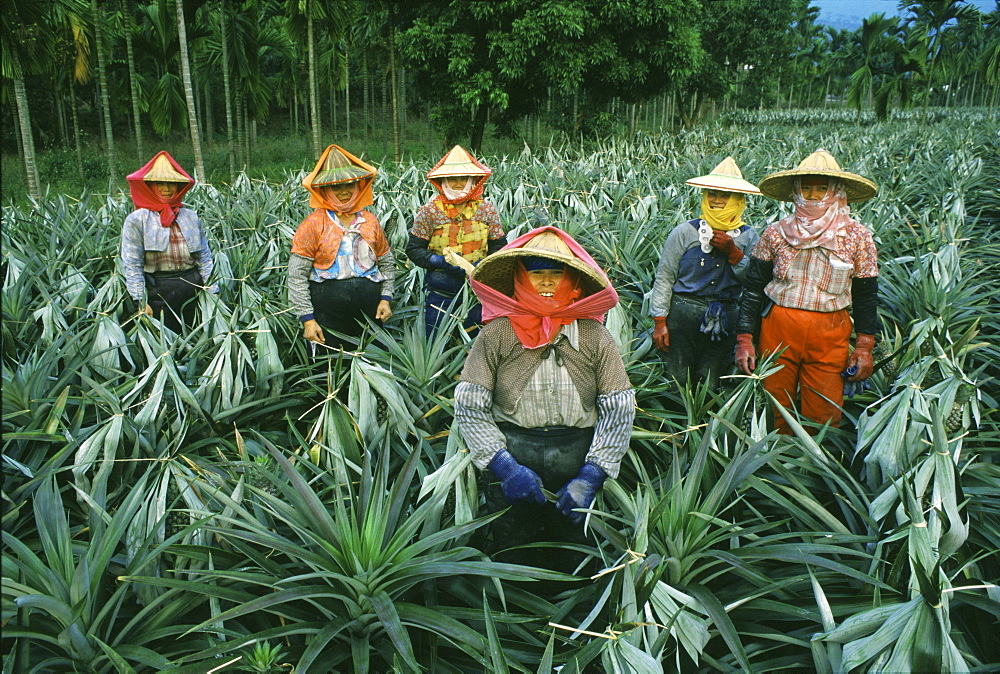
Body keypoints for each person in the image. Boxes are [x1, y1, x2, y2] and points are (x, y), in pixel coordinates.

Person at [453, 226, 635, 572]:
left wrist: (593, 474)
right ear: (521, 278)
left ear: (572, 280)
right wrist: (504, 468)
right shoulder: (498, 333)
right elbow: (470, 405)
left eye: (557, 274)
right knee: (512, 546)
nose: (548, 283)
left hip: (577, 454)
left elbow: (619, 407)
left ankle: (571, 616)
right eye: (537, 273)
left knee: (575, 551)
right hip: (514, 450)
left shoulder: (594, 335)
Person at [734, 149, 880, 434]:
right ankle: (774, 464)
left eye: (822, 188)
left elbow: (866, 295)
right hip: (778, 326)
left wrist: (864, 346)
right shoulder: (775, 233)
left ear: (836, 191)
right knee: (774, 402)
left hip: (830, 331)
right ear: (796, 191)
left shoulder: (857, 237)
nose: (813, 196)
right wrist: (744, 338)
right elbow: (753, 289)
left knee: (825, 409)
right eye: (807, 188)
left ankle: (813, 466)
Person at [650, 157, 761, 390]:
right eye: (712, 193)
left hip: (725, 316)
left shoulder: (749, 237)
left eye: (725, 195)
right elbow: (665, 276)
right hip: (682, 313)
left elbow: (754, 282)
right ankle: (676, 425)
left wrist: (733, 252)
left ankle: (704, 425)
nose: (717, 200)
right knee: (677, 379)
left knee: (711, 378)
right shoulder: (684, 232)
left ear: (739, 199)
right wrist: (660, 321)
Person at [287, 144, 395, 354]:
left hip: (369, 309)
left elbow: (386, 262)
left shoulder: (370, 221)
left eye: (350, 184)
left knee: (372, 361)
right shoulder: (314, 223)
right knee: (330, 365)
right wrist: (307, 319)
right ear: (324, 189)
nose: (344, 191)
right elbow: (296, 274)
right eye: (336, 187)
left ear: (359, 186)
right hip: (327, 309)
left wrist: (385, 298)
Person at [406, 145, 506, 337]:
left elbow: (499, 247)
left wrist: (481, 265)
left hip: (478, 291)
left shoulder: (486, 210)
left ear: (473, 181)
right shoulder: (430, 211)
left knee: (475, 346)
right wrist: (440, 262)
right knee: (435, 341)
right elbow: (414, 249)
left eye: (463, 178)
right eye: (452, 179)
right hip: (440, 292)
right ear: (443, 180)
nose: (458, 183)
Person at [121, 151, 217, 332]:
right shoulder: (138, 220)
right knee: (165, 343)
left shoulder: (190, 217)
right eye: (160, 183)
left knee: (196, 338)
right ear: (150, 186)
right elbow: (132, 264)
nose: (167, 188)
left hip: (193, 288)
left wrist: (212, 291)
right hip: (158, 291)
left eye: (171, 183)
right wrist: (141, 301)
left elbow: (204, 257)